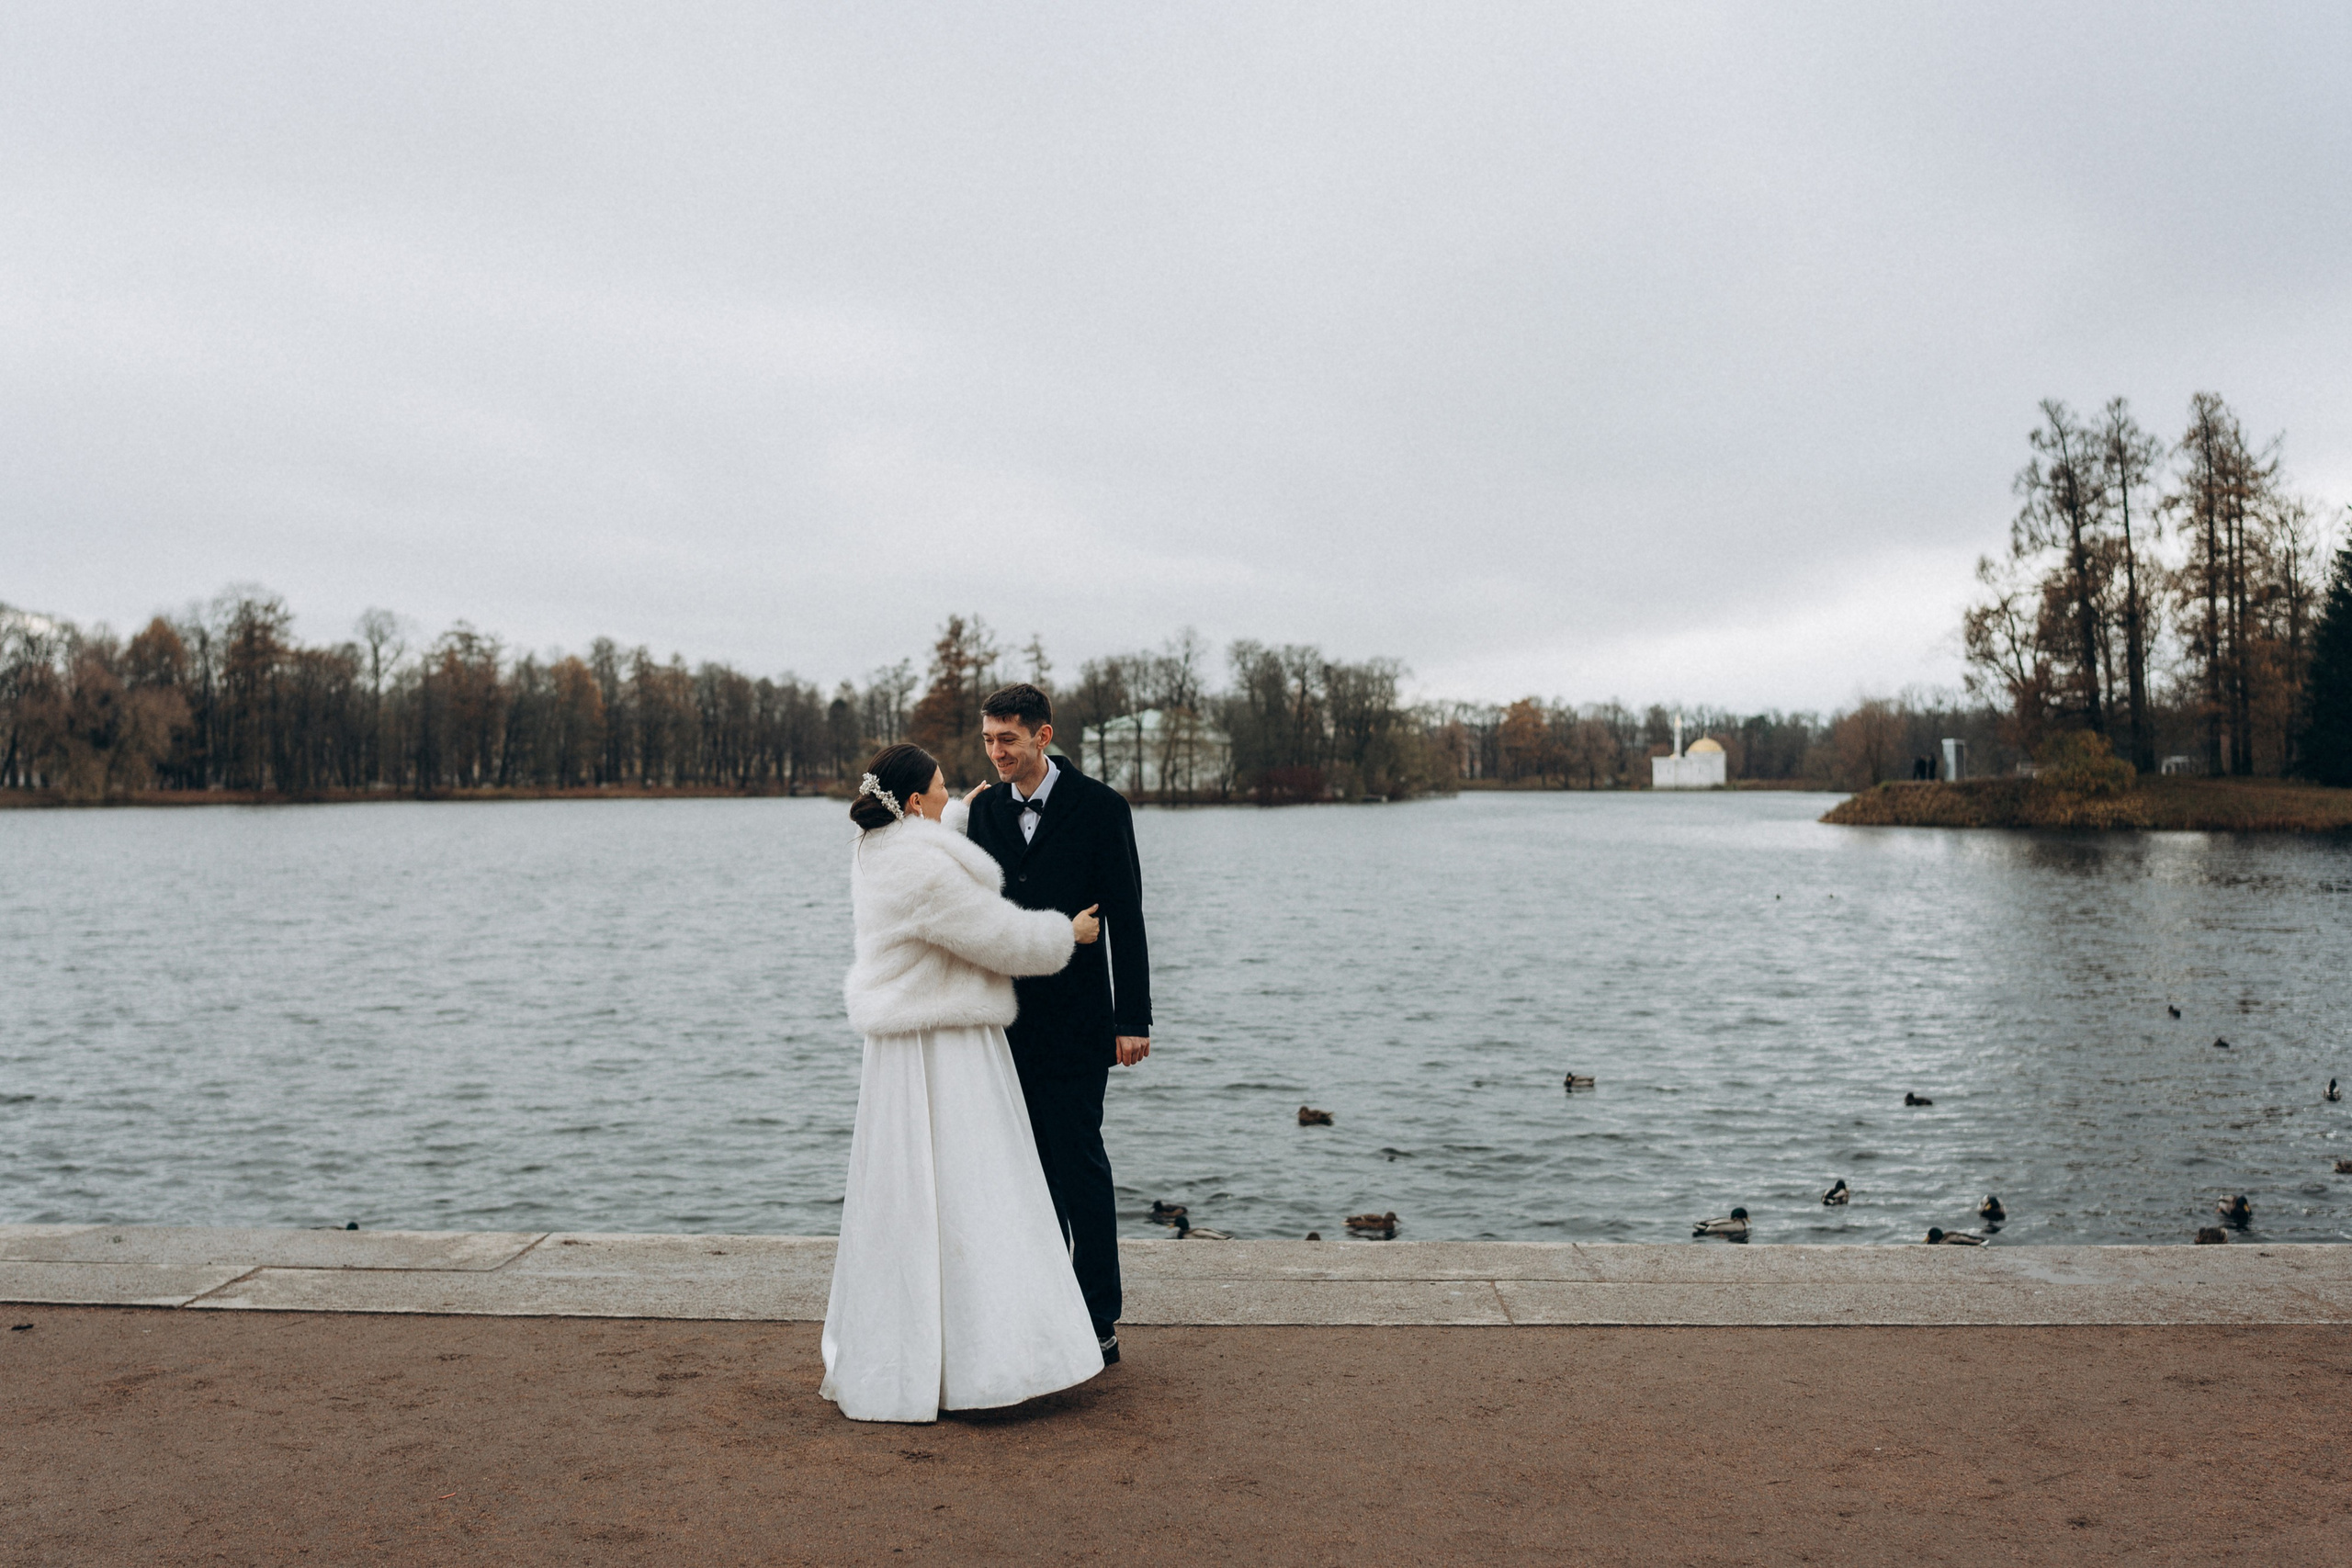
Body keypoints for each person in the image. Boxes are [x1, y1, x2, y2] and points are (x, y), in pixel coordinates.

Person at [821, 741, 1107, 1423]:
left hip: (898, 1047)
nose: (956, 795)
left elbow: (927, 875)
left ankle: (916, 1350)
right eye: (945, 788)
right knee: (978, 1185)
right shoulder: (921, 867)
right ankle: (988, 1359)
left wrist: (951, 825)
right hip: (945, 1041)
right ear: (915, 801)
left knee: (911, 1198)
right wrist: (1066, 933)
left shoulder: (875, 850)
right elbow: (992, 935)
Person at [963, 683, 1151, 1367]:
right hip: (1002, 1028)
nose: (995, 751)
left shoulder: (1102, 808)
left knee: (1080, 1170)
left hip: (1077, 1025)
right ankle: (1042, 1312)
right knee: (1024, 1175)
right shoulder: (981, 812)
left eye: (1007, 738)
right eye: (987, 738)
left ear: (1043, 735)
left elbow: (1126, 918)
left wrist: (1132, 1018)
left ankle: (1098, 1317)